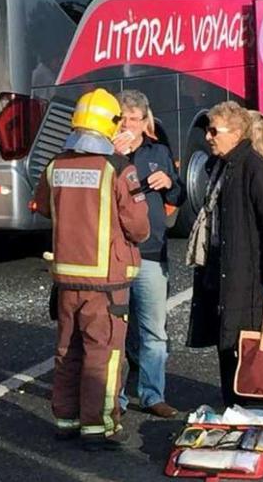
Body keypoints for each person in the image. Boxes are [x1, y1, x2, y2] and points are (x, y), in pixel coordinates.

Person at [31, 88, 150, 451]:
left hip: (66, 279)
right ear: (110, 124)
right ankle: (99, 426)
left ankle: (66, 419)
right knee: (103, 353)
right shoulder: (118, 168)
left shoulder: (56, 165)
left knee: (68, 350)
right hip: (107, 283)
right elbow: (139, 227)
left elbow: (43, 207)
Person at [185, 101, 263, 413]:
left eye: (215, 131)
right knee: (229, 340)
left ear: (237, 133)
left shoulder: (256, 168)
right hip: (225, 270)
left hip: (251, 276)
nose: (208, 137)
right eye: (207, 130)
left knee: (251, 342)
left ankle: (259, 407)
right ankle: (235, 403)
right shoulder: (224, 166)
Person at [112, 90, 185, 418]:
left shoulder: (159, 151)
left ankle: (153, 395)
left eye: (133, 118)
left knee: (154, 330)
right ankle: (117, 399)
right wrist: (115, 157)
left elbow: (180, 194)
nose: (126, 124)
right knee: (117, 330)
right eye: (121, 118)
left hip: (153, 253)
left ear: (145, 122)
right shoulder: (106, 154)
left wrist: (169, 181)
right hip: (117, 253)